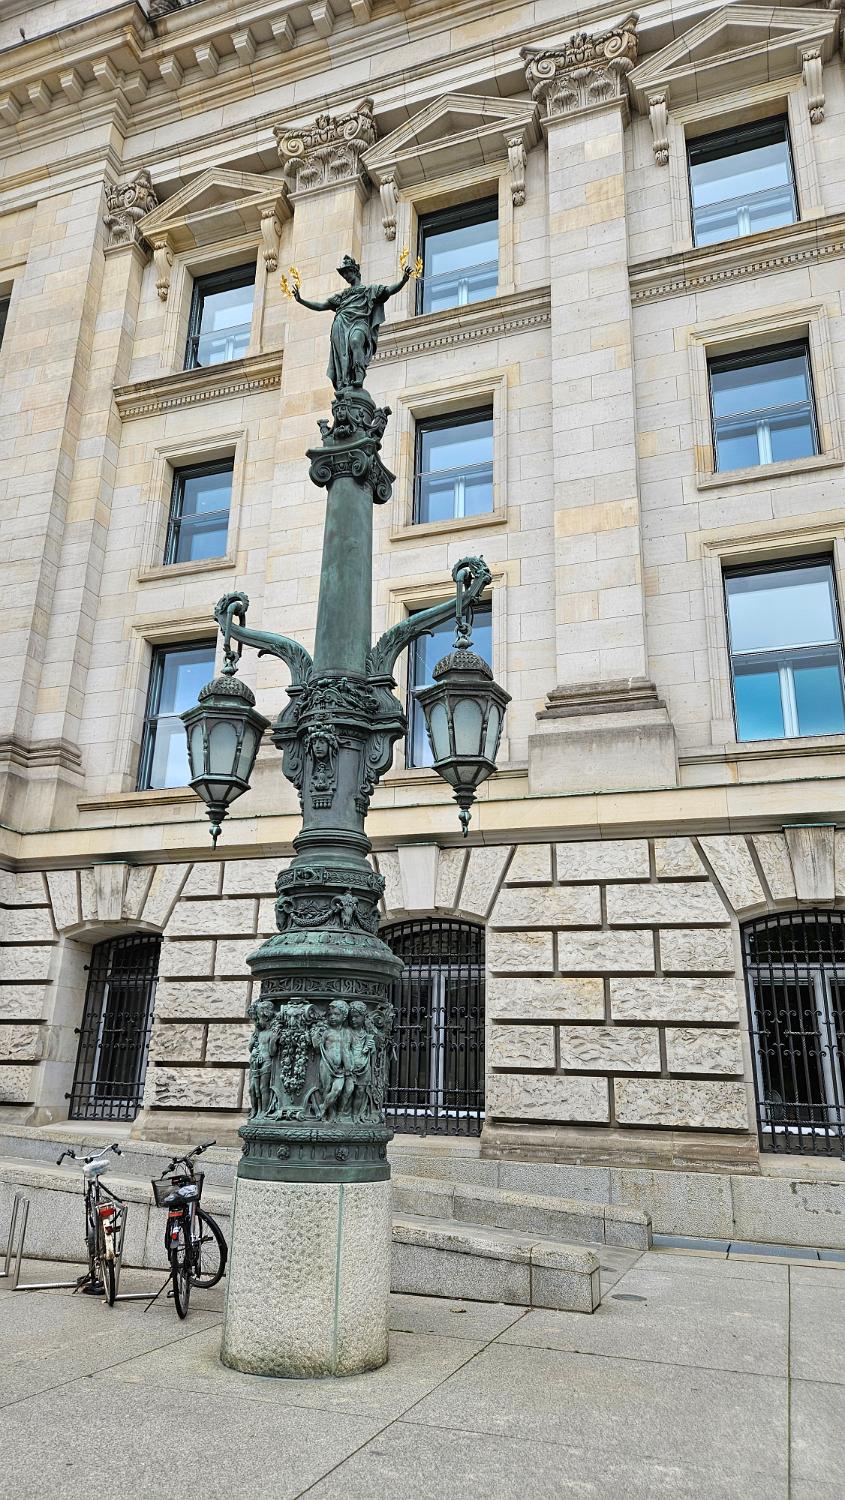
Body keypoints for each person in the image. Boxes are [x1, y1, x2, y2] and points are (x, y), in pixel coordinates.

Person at [293, 254, 411, 392]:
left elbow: (389, 290)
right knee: (343, 357)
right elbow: (321, 306)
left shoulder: (369, 290)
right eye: (343, 274)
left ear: (354, 271)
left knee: (356, 341)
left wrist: (403, 280)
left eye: (347, 272)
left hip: (360, 323)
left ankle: (359, 376)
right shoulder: (342, 296)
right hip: (341, 325)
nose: (345, 276)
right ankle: (345, 380)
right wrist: (301, 300)